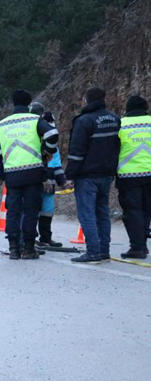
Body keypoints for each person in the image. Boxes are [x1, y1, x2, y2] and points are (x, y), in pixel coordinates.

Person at [0, 89, 60, 260]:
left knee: (13, 211)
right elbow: (52, 134)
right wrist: (47, 152)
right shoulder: (35, 120)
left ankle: (14, 248)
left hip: (12, 175)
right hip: (33, 173)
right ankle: (29, 248)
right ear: (29, 105)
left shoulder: (2, 124)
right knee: (30, 211)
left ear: (13, 103)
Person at [66, 87, 121, 264]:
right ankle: (104, 251)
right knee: (102, 213)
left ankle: (93, 253)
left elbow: (76, 152)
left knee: (87, 214)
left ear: (86, 100)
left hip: (87, 176)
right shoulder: (114, 119)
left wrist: (70, 175)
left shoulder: (84, 121)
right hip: (106, 174)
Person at [28, 102, 67, 248]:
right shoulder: (33, 136)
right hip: (35, 178)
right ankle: (31, 238)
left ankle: (45, 237)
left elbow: (56, 163)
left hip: (49, 181)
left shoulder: (52, 140)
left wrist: (62, 181)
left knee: (47, 211)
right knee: (33, 210)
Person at [116, 95, 151, 259]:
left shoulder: (121, 125)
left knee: (133, 212)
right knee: (146, 210)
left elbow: (112, 150)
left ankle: (138, 247)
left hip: (129, 175)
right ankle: (142, 245)